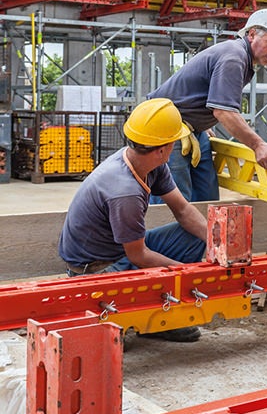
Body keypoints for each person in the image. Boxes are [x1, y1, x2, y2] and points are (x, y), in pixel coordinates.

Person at [58, 97, 208, 342]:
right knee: (113, 341)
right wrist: (186, 275)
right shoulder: (124, 191)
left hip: (118, 252)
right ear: (162, 149)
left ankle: (159, 314)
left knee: (194, 236)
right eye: (174, 141)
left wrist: (218, 242)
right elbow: (139, 255)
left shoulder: (147, 162)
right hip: (95, 270)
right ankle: (149, 317)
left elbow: (182, 209)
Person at [148, 7, 267, 202]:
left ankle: (201, 223)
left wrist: (199, 122)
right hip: (165, 126)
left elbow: (206, 95)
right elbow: (224, 112)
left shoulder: (241, 58)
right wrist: (258, 145)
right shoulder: (234, 57)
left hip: (191, 128)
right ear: (251, 34)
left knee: (206, 195)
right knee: (173, 201)